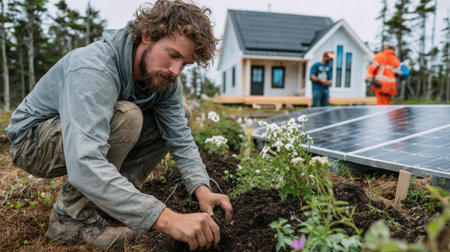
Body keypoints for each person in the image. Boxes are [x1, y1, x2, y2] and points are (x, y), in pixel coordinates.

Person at [4, 0, 232, 250]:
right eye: (173, 55)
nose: (176, 71)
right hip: (32, 141)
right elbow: (85, 163)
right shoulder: (95, 68)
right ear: (147, 35)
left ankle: (107, 203)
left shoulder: (164, 79)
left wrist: (202, 189)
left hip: (77, 137)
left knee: (183, 114)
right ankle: (70, 220)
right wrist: (167, 219)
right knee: (129, 116)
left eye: (185, 64)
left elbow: (180, 138)